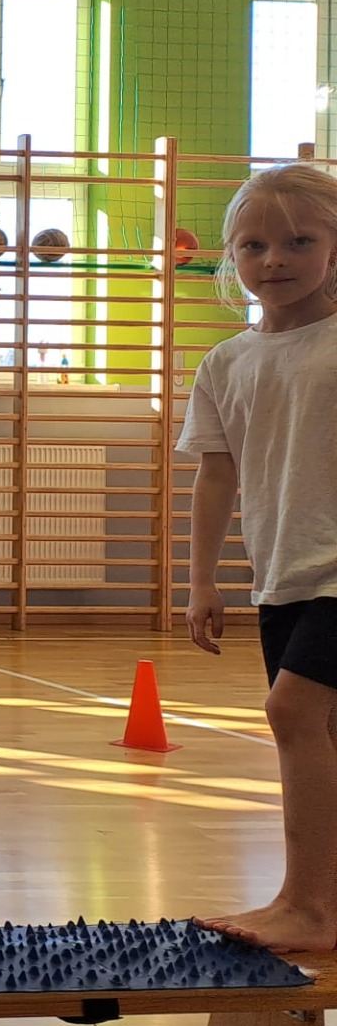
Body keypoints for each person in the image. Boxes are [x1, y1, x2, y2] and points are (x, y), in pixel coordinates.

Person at [183, 162, 337, 951]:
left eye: (299, 241)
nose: (275, 259)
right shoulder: (226, 363)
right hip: (283, 576)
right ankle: (326, 900)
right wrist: (202, 579)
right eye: (254, 245)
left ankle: (306, 906)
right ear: (232, 258)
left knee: (291, 713)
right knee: (324, 733)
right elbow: (217, 475)